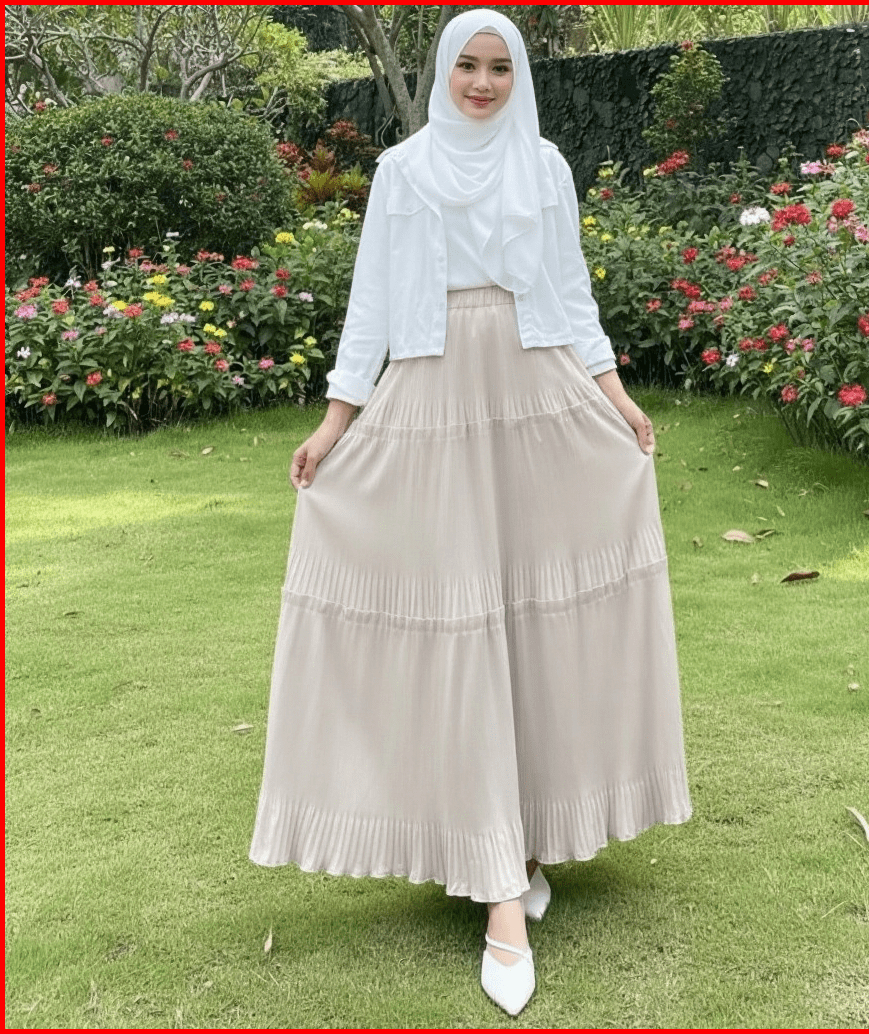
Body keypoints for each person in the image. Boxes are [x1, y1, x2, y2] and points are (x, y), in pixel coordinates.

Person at [249, 8, 692, 1018]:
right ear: (445, 71)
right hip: (434, 396)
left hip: (535, 395)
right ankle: (500, 889)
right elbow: (370, 305)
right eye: (468, 66)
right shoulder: (401, 173)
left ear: (516, 74)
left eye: (499, 67)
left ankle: (521, 844)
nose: (483, 82)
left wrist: (618, 401)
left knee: (530, 624)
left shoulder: (545, 167)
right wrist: (334, 422)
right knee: (458, 621)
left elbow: (570, 295)